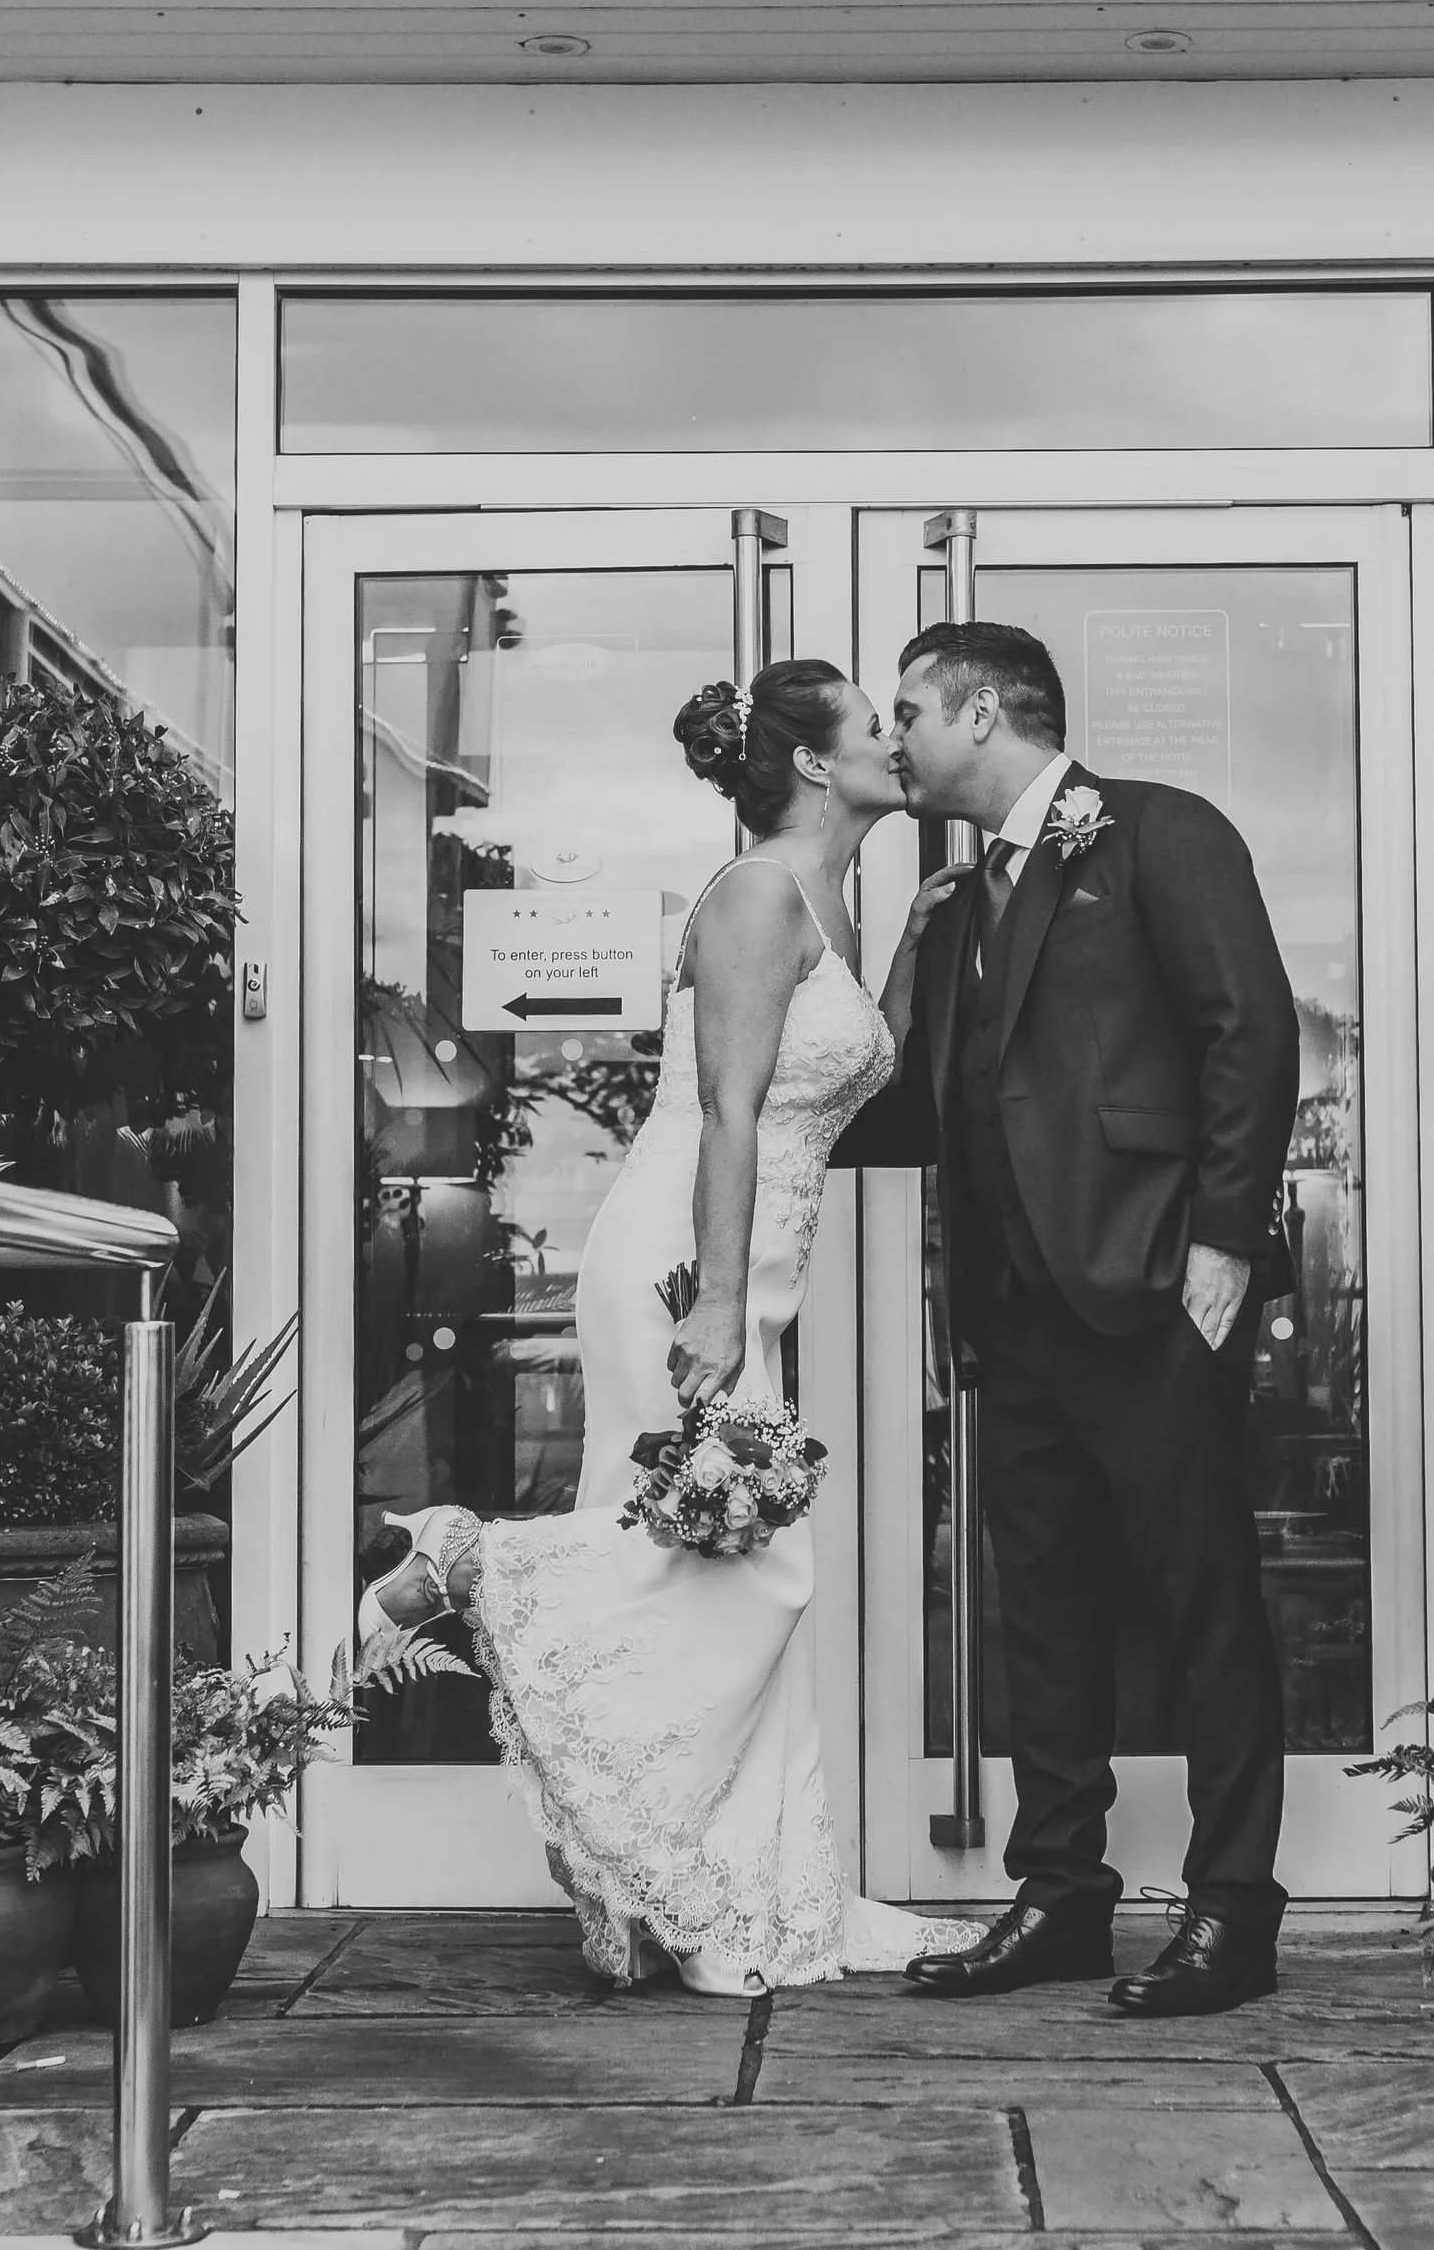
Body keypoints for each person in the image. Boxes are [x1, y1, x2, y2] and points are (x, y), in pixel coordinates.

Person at [357, 658, 973, 1996]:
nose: (896, 746)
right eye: (876, 728)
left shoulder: (830, 900)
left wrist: (919, 946)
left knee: (720, 1566)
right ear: (813, 763)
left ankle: (720, 1894)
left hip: (745, 1272)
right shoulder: (756, 894)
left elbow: (855, 1092)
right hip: (684, 1266)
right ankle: (463, 1564)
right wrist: (711, 1302)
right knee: (737, 1564)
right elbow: (735, 1112)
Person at [836, 620, 1302, 2016]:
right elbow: (916, 1113)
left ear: (983, 714)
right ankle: (1063, 1897)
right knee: (1039, 1617)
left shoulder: (1163, 834)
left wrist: (1223, 1240)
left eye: (910, 710)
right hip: (1010, 1313)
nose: (896, 737)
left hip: (1154, 1290)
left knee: (1202, 1605)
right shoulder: (964, 903)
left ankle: (1234, 1910)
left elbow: (1249, 1032)